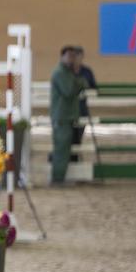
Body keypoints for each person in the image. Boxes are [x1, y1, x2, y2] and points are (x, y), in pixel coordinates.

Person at [49, 45, 85, 184]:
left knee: (64, 149)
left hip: (66, 116)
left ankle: (59, 177)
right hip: (62, 116)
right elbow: (69, 90)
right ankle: (58, 178)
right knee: (61, 150)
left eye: (73, 56)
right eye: (69, 56)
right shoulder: (60, 73)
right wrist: (79, 82)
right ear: (62, 56)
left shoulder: (67, 72)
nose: (72, 59)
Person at [70, 46, 98, 156]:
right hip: (69, 109)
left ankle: (75, 157)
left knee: (78, 136)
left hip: (82, 109)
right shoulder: (67, 71)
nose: (78, 59)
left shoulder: (87, 71)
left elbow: (94, 87)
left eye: (80, 56)